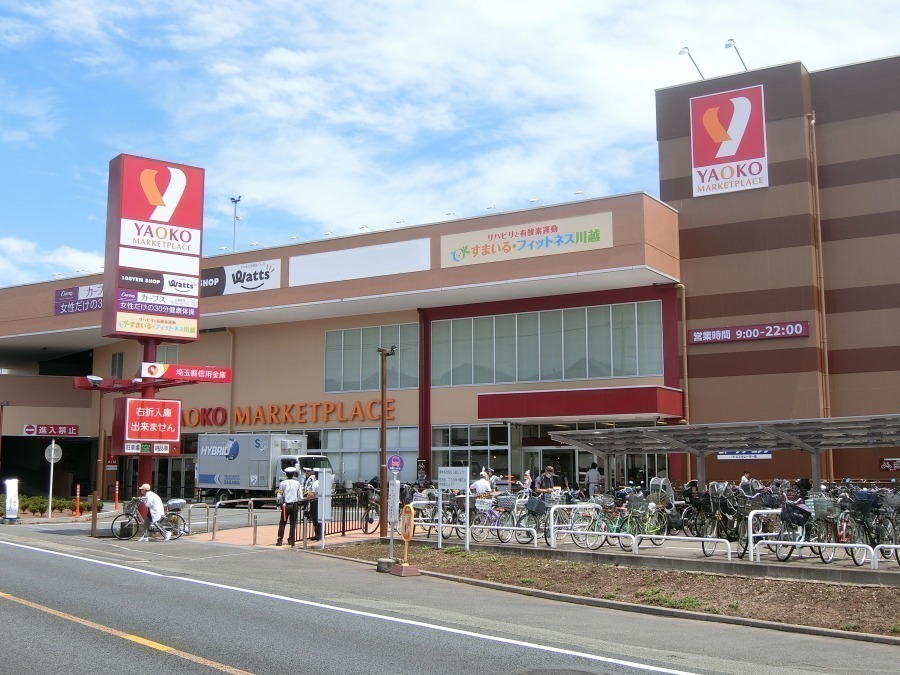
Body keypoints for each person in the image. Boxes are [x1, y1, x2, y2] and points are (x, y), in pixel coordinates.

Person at [276, 466, 302, 546]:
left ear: (286, 474)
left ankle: (280, 540)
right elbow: (300, 496)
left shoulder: (282, 483)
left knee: (282, 523)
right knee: (293, 523)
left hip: (285, 506)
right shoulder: (297, 483)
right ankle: (291, 539)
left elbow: (279, 495)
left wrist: (278, 503)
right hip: (294, 505)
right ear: (293, 474)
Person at [303, 467, 322, 541]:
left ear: (316, 475)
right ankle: (321, 533)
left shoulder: (315, 483)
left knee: (315, 518)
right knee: (321, 518)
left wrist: (307, 499)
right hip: (323, 501)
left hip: (315, 501)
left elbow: (311, 495)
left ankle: (318, 534)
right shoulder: (324, 482)